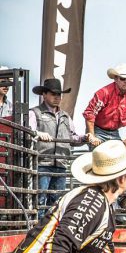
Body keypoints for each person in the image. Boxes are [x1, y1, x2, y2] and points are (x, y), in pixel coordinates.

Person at [29, 79, 87, 218]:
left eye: (59, 94)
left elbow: (72, 138)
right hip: (42, 163)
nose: (57, 97)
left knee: (56, 201)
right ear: (44, 94)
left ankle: (50, 230)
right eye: (53, 94)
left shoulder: (65, 116)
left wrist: (84, 138)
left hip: (60, 164)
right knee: (40, 200)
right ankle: (38, 229)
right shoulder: (35, 113)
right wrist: (37, 134)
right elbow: (28, 132)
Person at [83, 63, 126, 149]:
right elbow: (90, 113)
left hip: (114, 132)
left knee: (120, 158)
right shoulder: (104, 93)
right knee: (99, 156)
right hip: (98, 130)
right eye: (123, 78)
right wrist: (92, 135)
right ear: (116, 79)